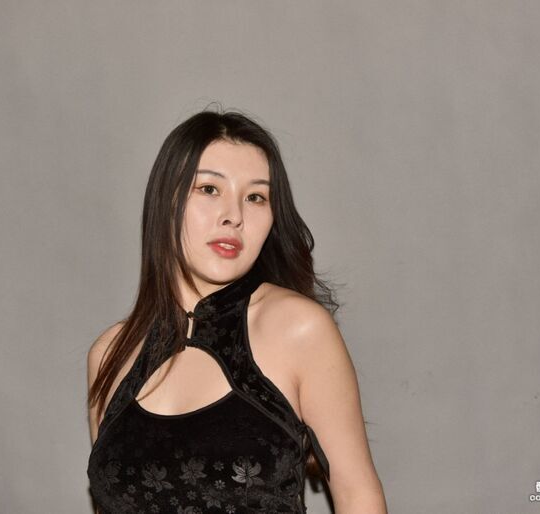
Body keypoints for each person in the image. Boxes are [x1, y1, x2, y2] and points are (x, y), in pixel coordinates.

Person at [87, 108, 387, 513]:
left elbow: (358, 496)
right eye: (209, 189)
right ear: (165, 200)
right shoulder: (110, 354)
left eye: (256, 197)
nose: (234, 216)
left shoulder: (297, 329)